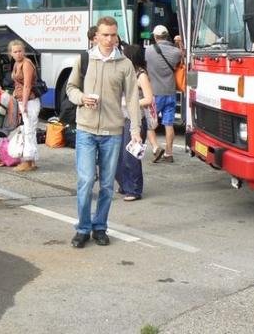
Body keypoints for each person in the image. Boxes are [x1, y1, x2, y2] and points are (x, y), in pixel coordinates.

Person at [66, 16, 142, 248]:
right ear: (96, 36)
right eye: (105, 35)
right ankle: (82, 228)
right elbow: (70, 88)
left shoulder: (125, 64)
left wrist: (136, 129)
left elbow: (131, 98)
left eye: (113, 35)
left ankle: (100, 227)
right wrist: (81, 98)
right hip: (86, 130)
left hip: (113, 131)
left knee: (107, 185)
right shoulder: (84, 59)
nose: (110, 39)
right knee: (87, 180)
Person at [115, 44, 154, 201]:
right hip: (121, 119)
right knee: (118, 156)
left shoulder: (141, 75)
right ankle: (125, 184)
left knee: (131, 156)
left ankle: (135, 189)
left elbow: (149, 98)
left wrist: (129, 103)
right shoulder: (126, 73)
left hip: (137, 120)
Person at [145, 25, 182, 163]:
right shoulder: (176, 52)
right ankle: (169, 153)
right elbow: (183, 58)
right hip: (171, 92)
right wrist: (179, 43)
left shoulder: (148, 51)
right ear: (167, 36)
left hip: (154, 93)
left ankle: (156, 148)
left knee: (149, 123)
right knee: (169, 124)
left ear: (155, 36)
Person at [9, 40, 40, 171]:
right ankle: (31, 160)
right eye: (15, 51)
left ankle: (27, 161)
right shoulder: (17, 63)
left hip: (30, 101)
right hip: (21, 99)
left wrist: (25, 104)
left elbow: (27, 85)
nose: (18, 54)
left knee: (28, 131)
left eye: (20, 51)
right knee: (26, 130)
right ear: (11, 53)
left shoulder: (26, 64)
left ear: (24, 51)